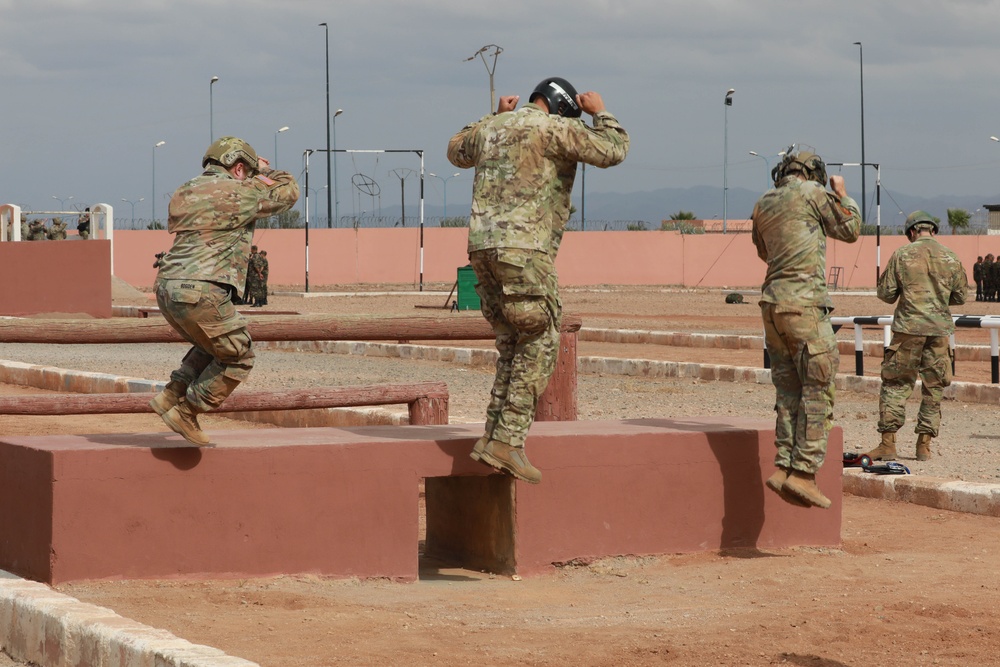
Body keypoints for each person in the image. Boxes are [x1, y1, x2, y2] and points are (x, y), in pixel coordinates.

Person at [447, 76, 629, 483]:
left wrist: (494, 115)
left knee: (513, 342)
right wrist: (601, 113)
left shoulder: (492, 128)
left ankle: (494, 437)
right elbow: (614, 150)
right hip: (525, 251)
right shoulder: (556, 129)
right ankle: (508, 442)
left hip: (483, 251)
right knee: (542, 338)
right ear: (564, 107)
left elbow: (456, 150)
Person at [150, 136, 299, 446]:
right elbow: (288, 193)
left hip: (167, 287)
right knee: (238, 354)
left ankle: (171, 394)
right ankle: (187, 412)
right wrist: (263, 172)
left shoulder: (185, 189)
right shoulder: (240, 191)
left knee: (212, 343)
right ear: (239, 168)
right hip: (201, 289)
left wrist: (252, 173)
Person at [751, 147, 862, 509]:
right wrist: (843, 194)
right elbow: (850, 229)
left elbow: (764, 251)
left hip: (772, 306)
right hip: (804, 305)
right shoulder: (815, 194)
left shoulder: (764, 202)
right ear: (814, 173)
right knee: (818, 387)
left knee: (788, 392)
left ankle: (782, 466)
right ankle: (804, 474)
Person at [864, 211, 967, 463]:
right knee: (934, 388)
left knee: (896, 384)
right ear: (933, 230)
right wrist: (938, 300)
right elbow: (961, 296)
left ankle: (888, 445)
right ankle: (924, 447)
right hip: (939, 332)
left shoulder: (902, 254)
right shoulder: (951, 257)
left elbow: (886, 294)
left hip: (908, 330)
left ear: (911, 232)